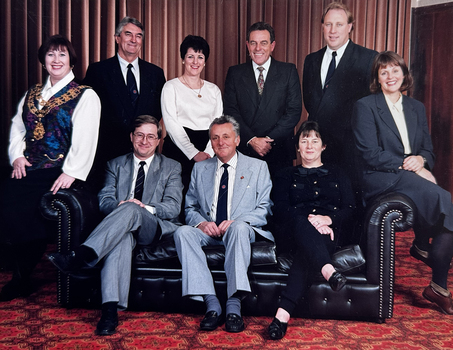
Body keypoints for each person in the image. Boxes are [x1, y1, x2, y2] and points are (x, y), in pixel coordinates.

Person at [47, 115, 183, 336]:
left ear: (158, 140)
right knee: (120, 238)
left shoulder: (171, 167)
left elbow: (173, 207)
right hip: (121, 227)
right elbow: (105, 200)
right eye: (139, 135)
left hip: (154, 227)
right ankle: (109, 311)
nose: (144, 141)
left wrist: (141, 207)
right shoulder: (115, 164)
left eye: (151, 136)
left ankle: (81, 255)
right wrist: (122, 206)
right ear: (131, 137)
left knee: (131, 209)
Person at [0, 35, 101, 301]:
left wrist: (72, 172)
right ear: (44, 62)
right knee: (8, 196)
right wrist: (17, 157)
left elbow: (86, 137)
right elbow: (18, 128)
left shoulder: (85, 95)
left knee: (25, 204)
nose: (56, 60)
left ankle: (21, 277)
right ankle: (20, 272)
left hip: (59, 168)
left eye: (62, 55)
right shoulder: (32, 94)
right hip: (29, 165)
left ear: (71, 61)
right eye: (51, 55)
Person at [352, 51, 453, 315]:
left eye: (395, 70)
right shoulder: (366, 105)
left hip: (409, 173)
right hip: (379, 176)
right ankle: (432, 271)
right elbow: (369, 153)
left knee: (442, 200)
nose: (390, 76)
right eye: (384, 72)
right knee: (445, 199)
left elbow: (429, 151)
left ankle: (434, 280)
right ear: (377, 77)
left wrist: (421, 160)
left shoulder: (416, 107)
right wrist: (408, 163)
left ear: (404, 74)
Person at [174, 115, 273, 333]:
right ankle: (211, 303)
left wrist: (238, 221)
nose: (221, 142)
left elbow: (264, 209)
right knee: (182, 233)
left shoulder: (258, 167)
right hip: (210, 230)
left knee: (238, 228)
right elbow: (189, 208)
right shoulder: (200, 169)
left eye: (226, 136)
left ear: (237, 139)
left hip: (240, 229)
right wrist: (201, 224)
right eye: (215, 138)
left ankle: (233, 305)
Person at [267, 120, 355, 340]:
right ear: (297, 146)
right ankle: (328, 270)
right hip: (292, 231)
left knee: (306, 252)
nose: (309, 145)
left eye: (315, 141)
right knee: (301, 224)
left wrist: (329, 219)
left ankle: (282, 315)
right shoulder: (285, 174)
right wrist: (309, 220)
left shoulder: (338, 173)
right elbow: (280, 208)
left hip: (328, 232)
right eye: (304, 140)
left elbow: (351, 208)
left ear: (323, 146)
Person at [84, 16, 166, 190]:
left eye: (138, 36)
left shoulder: (156, 73)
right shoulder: (98, 71)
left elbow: (159, 109)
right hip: (108, 151)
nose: (133, 40)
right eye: (128, 34)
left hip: (145, 151)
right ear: (117, 38)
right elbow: (88, 112)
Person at [303, 2, 377, 174]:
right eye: (328, 24)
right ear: (322, 27)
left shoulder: (368, 58)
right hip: (318, 148)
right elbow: (310, 101)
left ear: (350, 27)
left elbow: (371, 107)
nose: (333, 30)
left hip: (351, 150)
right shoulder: (311, 60)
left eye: (339, 24)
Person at [224, 22, 302, 176]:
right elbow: (231, 111)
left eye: (263, 43)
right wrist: (252, 140)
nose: (258, 48)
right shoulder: (235, 73)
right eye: (253, 43)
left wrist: (267, 139)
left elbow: (293, 111)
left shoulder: (288, 71)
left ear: (272, 45)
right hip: (246, 148)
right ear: (247, 45)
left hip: (278, 150)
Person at [161, 35, 222, 191]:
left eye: (200, 57)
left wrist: (208, 154)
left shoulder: (214, 90)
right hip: (179, 148)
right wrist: (194, 153)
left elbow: (218, 125)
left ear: (205, 61)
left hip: (209, 147)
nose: (195, 62)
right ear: (183, 59)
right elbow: (171, 124)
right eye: (190, 56)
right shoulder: (170, 87)